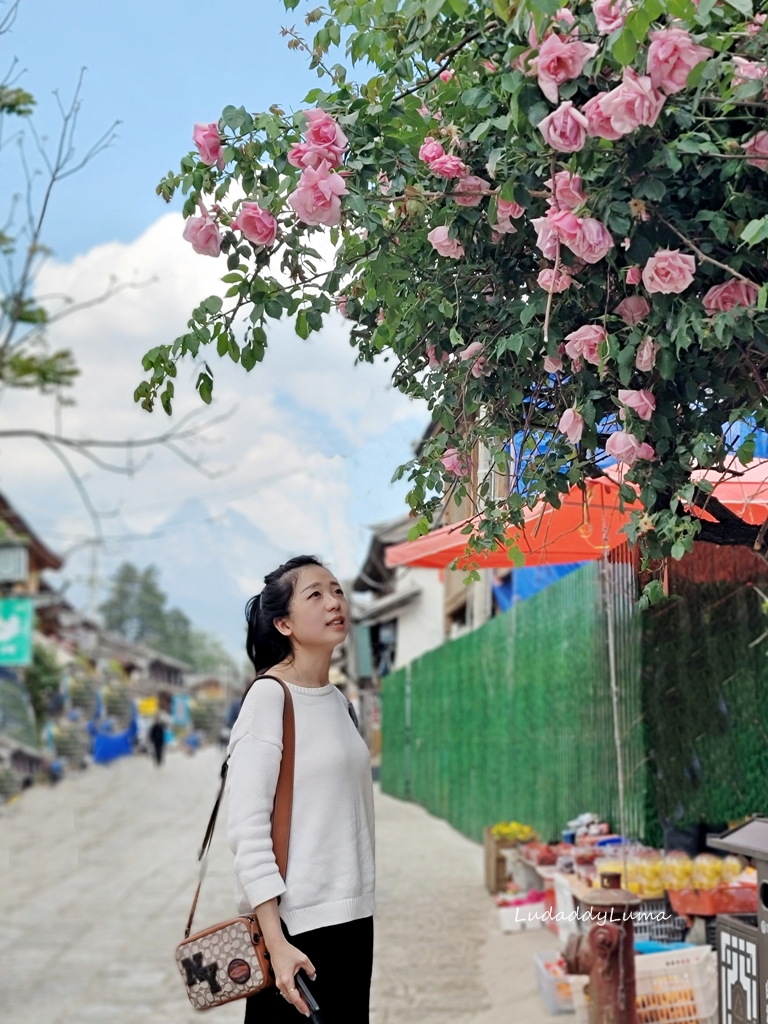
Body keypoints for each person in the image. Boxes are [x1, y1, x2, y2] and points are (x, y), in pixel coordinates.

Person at [227, 556, 375, 1023]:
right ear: (284, 622)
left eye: (337, 590)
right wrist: (276, 942)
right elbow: (248, 832)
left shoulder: (341, 705)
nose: (335, 602)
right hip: (295, 931)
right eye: (316, 594)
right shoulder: (269, 698)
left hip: (353, 921)